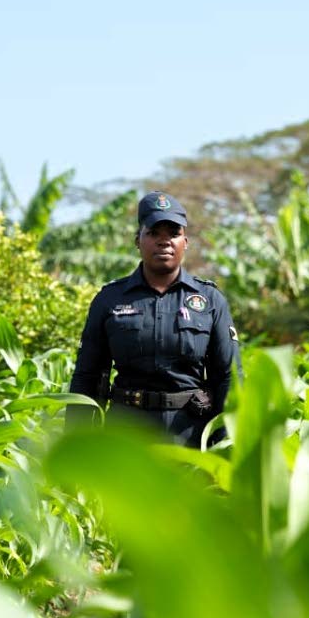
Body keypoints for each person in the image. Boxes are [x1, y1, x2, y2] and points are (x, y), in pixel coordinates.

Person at [67, 191, 240, 447]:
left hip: (189, 436)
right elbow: (87, 377)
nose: (164, 241)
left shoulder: (210, 300)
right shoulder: (109, 300)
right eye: (154, 233)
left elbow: (228, 377)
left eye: (173, 233)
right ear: (138, 240)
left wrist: (226, 444)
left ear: (186, 242)